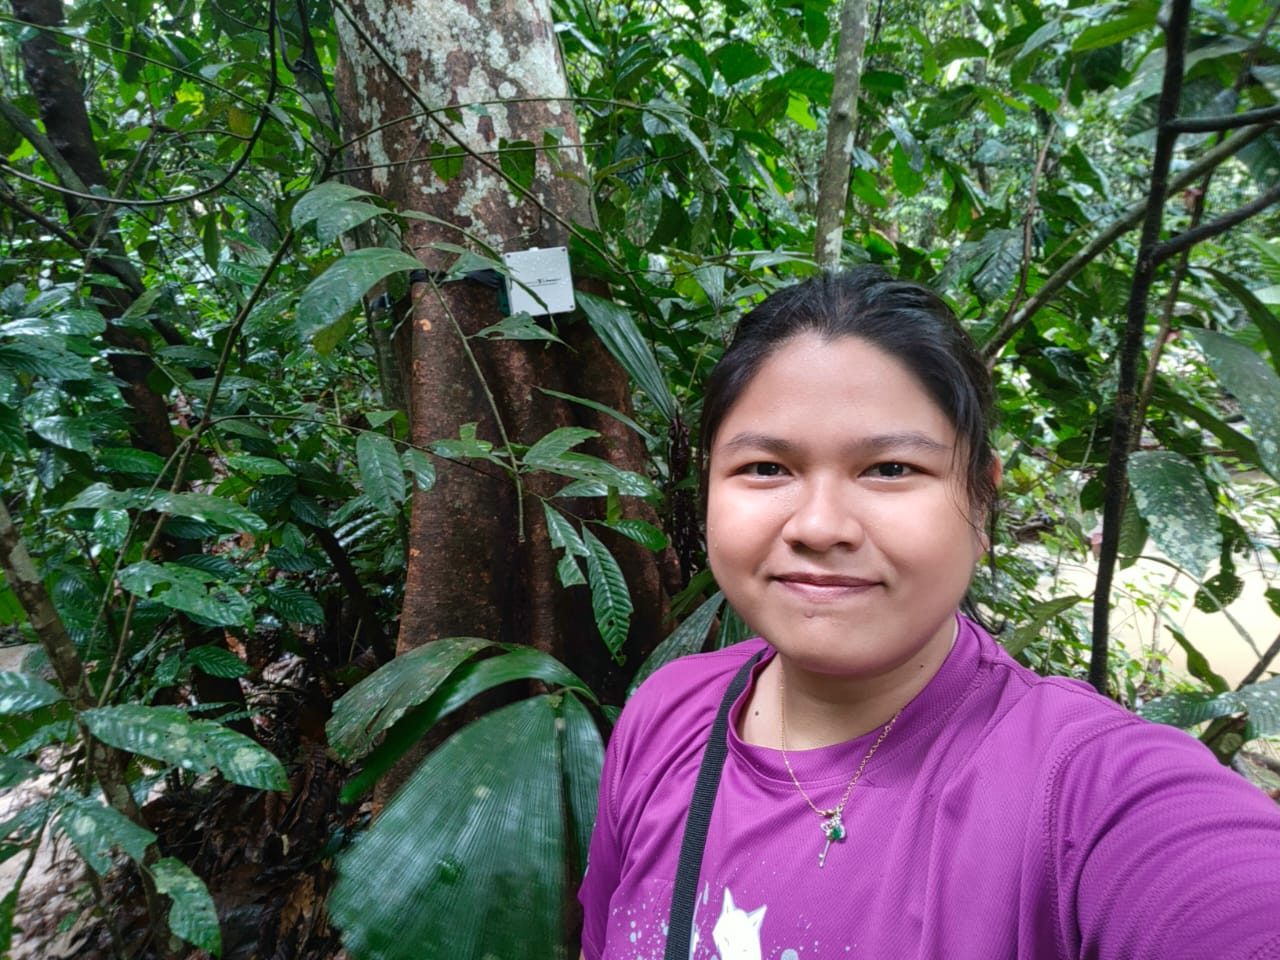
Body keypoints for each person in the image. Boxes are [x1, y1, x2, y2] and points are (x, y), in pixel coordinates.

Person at [577, 267, 1280, 960]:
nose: (820, 527)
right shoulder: (668, 713)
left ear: (981, 503)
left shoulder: (1081, 788)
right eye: (766, 468)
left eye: (889, 469)